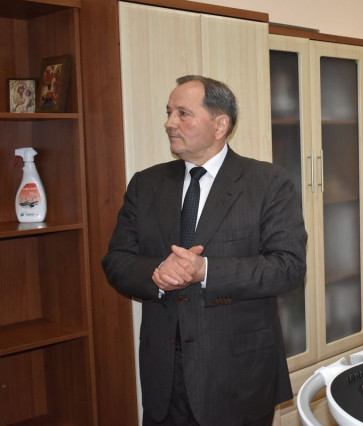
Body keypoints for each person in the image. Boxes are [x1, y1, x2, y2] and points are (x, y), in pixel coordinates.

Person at [102, 75, 307, 426]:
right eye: (169, 112)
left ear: (220, 125)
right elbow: (116, 261)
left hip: (238, 374)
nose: (169, 123)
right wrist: (157, 273)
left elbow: (288, 267)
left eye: (183, 113)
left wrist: (206, 270)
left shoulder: (268, 183)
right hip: (165, 375)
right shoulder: (145, 184)